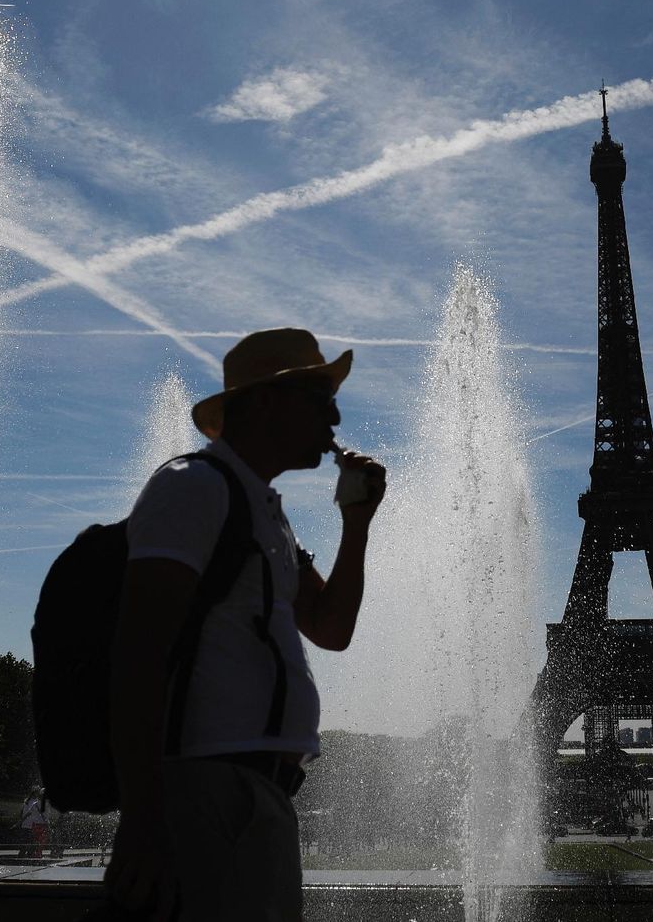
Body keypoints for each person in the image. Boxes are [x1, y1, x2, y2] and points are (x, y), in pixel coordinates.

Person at [105, 328, 386, 922]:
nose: (335, 415)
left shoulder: (264, 511)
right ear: (265, 403)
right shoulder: (192, 488)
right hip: (209, 786)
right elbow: (136, 656)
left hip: (254, 791)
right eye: (319, 398)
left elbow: (332, 629)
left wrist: (357, 524)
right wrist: (144, 819)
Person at [17, 785, 49, 857]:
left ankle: (23, 854)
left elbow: (23, 813)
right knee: (35, 841)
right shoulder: (36, 802)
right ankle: (33, 854)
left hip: (28, 824)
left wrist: (20, 821)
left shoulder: (26, 801)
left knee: (28, 840)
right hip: (33, 825)